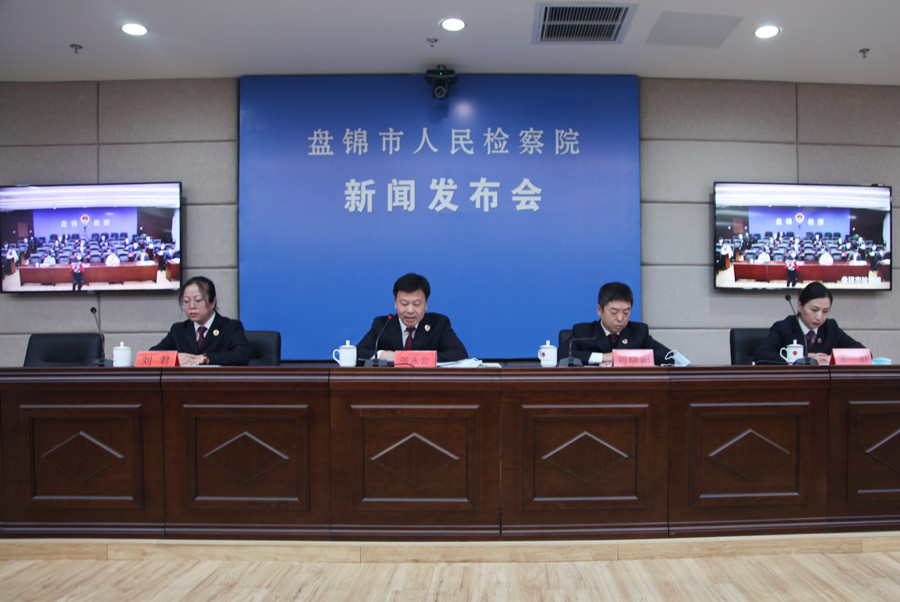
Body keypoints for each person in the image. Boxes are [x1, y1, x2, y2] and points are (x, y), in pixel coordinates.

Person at [356, 272, 468, 364]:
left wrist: (409, 358)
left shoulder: (438, 323)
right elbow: (357, 352)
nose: (410, 310)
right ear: (395, 303)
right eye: (404, 304)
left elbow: (459, 353)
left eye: (417, 304)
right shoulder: (382, 324)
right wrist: (382, 354)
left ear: (425, 304)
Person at [752, 281, 865, 365]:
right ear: (800, 306)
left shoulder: (830, 328)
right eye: (814, 310)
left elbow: (863, 353)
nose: (819, 317)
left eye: (825, 311)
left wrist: (834, 358)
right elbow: (761, 354)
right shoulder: (784, 327)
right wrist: (801, 358)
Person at [563, 282, 673, 366]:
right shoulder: (583, 331)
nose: (620, 318)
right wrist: (603, 357)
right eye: (614, 312)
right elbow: (562, 355)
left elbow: (668, 357)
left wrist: (621, 358)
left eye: (626, 312)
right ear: (599, 310)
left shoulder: (639, 332)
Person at [150, 275, 250, 366]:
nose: (191, 306)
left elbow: (242, 355)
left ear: (213, 302)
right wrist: (174, 358)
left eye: (198, 300)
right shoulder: (179, 330)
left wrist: (205, 359)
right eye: (186, 301)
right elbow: (150, 356)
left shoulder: (230, 327)